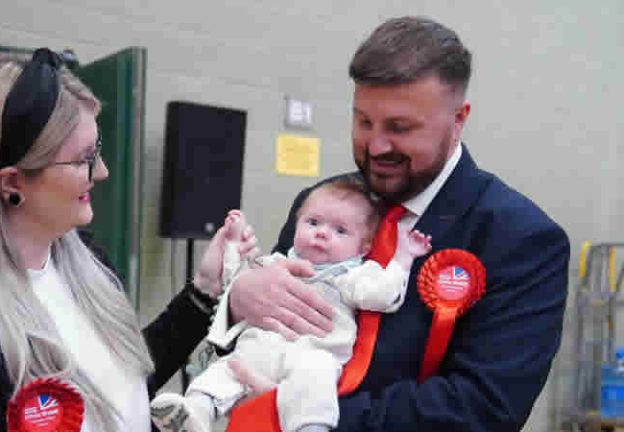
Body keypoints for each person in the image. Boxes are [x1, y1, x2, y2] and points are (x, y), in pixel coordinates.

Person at [0, 48, 266, 432]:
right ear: (11, 183)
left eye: (97, 150)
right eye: (83, 159)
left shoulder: (87, 261)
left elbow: (119, 386)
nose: (101, 171)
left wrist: (207, 290)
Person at [223, 16, 570, 431]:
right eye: (363, 122)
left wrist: (299, 416)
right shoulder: (323, 204)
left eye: (399, 128)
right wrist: (236, 301)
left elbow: (481, 409)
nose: (376, 145)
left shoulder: (521, 238)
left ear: (458, 119)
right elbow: (268, 323)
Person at [150, 179, 432, 432]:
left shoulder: (353, 275)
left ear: (363, 246)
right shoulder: (276, 265)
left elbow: (383, 295)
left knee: (315, 383)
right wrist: (234, 244)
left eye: (340, 230)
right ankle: (195, 414)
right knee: (223, 371)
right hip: (260, 347)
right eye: (313, 223)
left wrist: (403, 259)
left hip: (314, 352)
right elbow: (234, 278)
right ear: (296, 226)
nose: (322, 233)